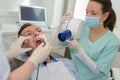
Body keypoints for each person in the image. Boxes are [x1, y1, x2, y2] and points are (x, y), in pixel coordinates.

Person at [62, 0, 120, 80]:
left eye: (93, 13)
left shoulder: (113, 41)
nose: (88, 16)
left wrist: (79, 50)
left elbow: (97, 70)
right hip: (73, 74)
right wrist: (63, 26)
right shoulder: (80, 27)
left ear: (104, 16)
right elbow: (61, 43)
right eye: (87, 12)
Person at [9, 23, 80, 80]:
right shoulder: (24, 73)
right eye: (29, 34)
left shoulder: (67, 62)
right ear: (23, 45)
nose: (37, 33)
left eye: (39, 30)